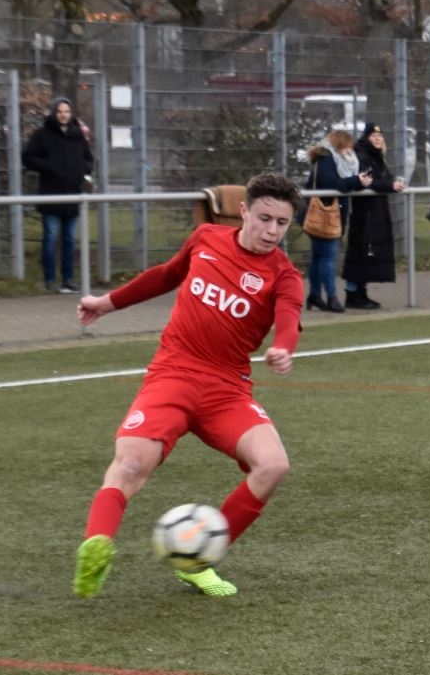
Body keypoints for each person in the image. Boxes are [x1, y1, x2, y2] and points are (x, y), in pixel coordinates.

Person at [70, 173, 304, 599]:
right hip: (172, 374)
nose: (272, 231)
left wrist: (283, 347)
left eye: (282, 223)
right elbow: (165, 275)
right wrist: (105, 303)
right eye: (264, 218)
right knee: (131, 465)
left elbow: (289, 317)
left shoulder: (284, 276)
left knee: (273, 465)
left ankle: (198, 561)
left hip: (227, 389)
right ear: (244, 211)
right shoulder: (206, 238)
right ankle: (96, 546)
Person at [22, 97, 94, 294]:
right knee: (51, 238)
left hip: (73, 195)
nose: (63, 115)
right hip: (51, 196)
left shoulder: (78, 135)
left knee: (70, 240)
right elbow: (28, 157)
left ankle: (68, 279)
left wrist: (82, 170)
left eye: (66, 112)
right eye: (60, 111)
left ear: (71, 114)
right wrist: (49, 167)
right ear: (54, 113)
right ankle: (50, 279)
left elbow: (88, 159)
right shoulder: (42, 135)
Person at [303, 130, 372, 313]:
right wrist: (356, 181)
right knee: (328, 256)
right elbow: (334, 184)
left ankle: (315, 295)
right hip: (323, 214)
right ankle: (331, 297)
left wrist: (359, 182)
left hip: (332, 214)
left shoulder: (339, 161)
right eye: (347, 146)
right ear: (339, 145)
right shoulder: (325, 159)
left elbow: (345, 184)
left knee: (319, 256)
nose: (350, 151)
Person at [343, 123, 407, 310]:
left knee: (366, 254)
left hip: (375, 210)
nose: (378, 139)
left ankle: (361, 292)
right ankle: (352, 294)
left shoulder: (377, 156)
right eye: (374, 136)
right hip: (365, 212)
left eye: (380, 136)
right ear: (367, 138)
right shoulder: (362, 156)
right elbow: (368, 181)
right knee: (360, 252)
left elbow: (384, 178)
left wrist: (394, 183)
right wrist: (390, 186)